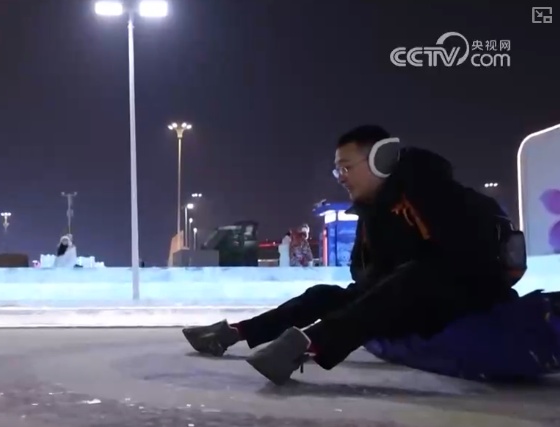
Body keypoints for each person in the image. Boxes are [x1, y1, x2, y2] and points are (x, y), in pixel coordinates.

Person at [182, 125, 520, 385]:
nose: (340, 177)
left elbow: (454, 263)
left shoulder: (430, 190)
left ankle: (310, 344)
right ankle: (236, 333)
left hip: (466, 293)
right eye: (336, 170)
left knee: (415, 275)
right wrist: (359, 298)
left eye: (346, 167)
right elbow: (367, 275)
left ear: (380, 160)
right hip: (410, 295)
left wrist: (379, 293)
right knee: (325, 295)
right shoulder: (373, 212)